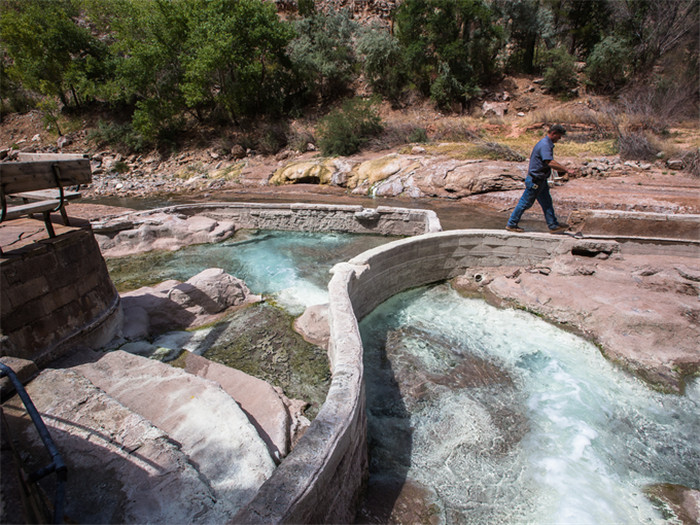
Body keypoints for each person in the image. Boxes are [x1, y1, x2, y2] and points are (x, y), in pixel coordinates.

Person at [506, 124, 572, 233]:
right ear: (553, 133)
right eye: (559, 136)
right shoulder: (545, 145)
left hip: (541, 180)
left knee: (547, 203)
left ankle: (553, 225)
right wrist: (566, 169)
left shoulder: (545, 143)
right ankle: (512, 224)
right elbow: (549, 162)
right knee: (525, 203)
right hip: (535, 181)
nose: (559, 139)